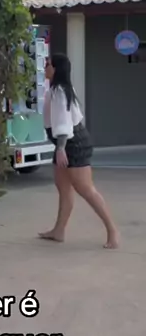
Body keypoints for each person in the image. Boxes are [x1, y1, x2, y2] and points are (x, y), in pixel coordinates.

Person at [39, 52, 120, 250]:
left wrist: (61, 148)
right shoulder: (58, 89)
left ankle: (113, 231)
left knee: (85, 189)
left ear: (55, 69)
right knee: (63, 186)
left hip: (72, 143)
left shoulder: (60, 91)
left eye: (48, 64)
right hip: (65, 142)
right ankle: (58, 231)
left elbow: (64, 122)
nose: (45, 68)